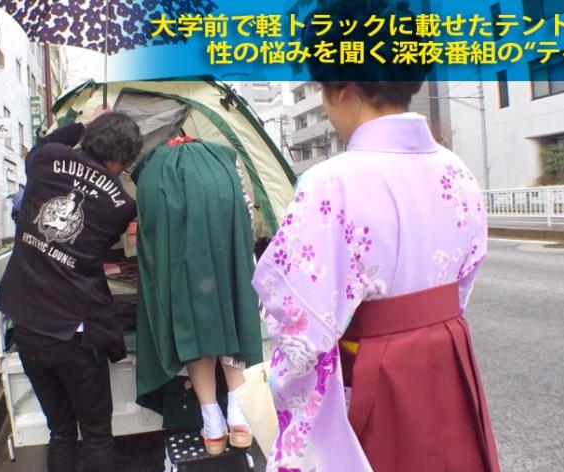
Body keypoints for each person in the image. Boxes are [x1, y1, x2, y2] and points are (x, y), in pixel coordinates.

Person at [252, 1, 500, 471]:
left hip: (370, 377)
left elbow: (300, 326)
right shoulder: (458, 172)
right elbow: (461, 286)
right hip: (449, 364)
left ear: (344, 91)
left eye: (322, 91)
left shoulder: (331, 183)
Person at [0, 109, 143, 472]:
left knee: (60, 431)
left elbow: (44, 144)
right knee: (96, 434)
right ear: (121, 159)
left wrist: (83, 124)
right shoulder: (122, 205)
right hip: (73, 333)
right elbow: (96, 246)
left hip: (27, 327)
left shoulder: (45, 160)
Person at [133, 139, 262, 455]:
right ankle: (239, 417)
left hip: (181, 269)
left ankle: (212, 424)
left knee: (193, 332)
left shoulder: (154, 172)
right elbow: (250, 217)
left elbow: (148, 237)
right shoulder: (224, 164)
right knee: (233, 320)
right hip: (226, 257)